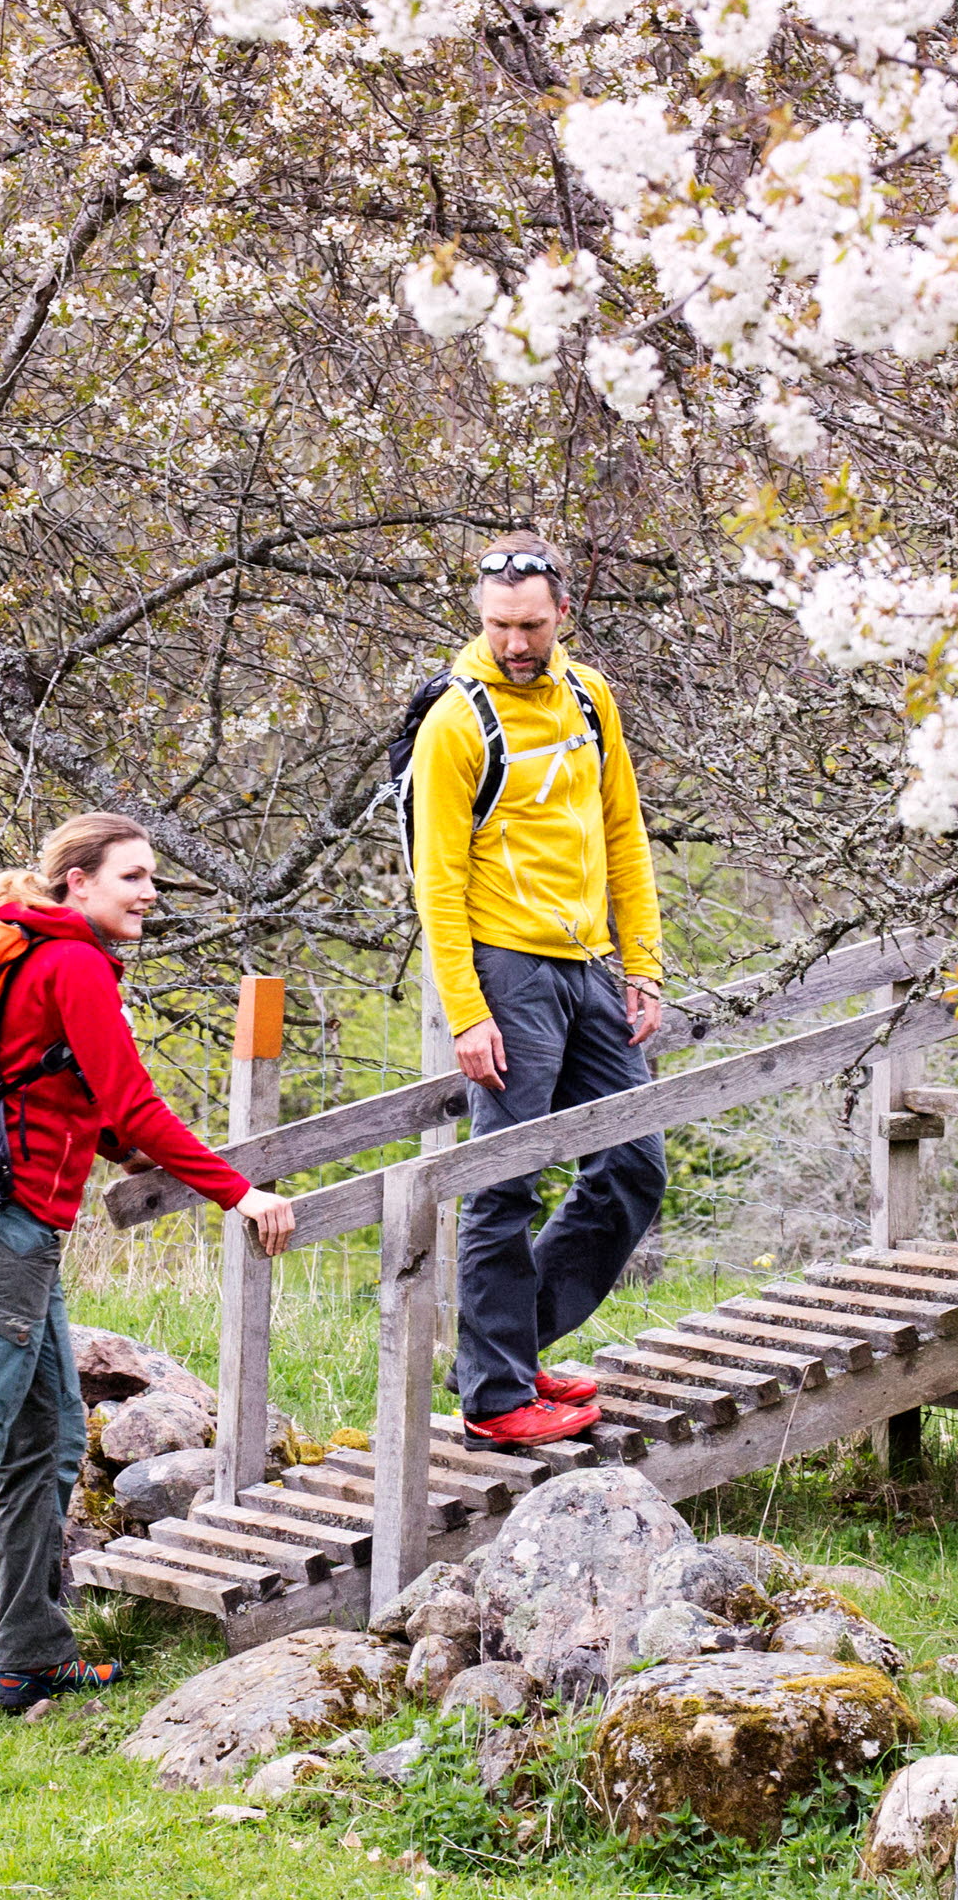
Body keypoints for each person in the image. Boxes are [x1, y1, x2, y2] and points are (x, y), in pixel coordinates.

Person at [0, 812, 298, 1733]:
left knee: (53, 1431)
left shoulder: (55, 957)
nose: (150, 891)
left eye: (152, 876)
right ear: (79, 881)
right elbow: (135, 1102)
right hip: (0, 1227)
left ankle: (31, 1653)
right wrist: (238, 1191)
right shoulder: (71, 961)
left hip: (12, 1221)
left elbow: (82, 1101)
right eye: (133, 876)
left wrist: (117, 1147)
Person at [408, 536, 667, 1447]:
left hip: (590, 964)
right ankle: (494, 1398)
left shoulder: (591, 697)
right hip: (505, 969)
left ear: (563, 613)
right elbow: (434, 881)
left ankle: (510, 1348)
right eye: (496, 625)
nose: (514, 642)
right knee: (503, 1182)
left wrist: (644, 963)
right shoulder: (456, 720)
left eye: (529, 624)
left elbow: (624, 830)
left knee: (635, 1163)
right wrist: (468, 1013)